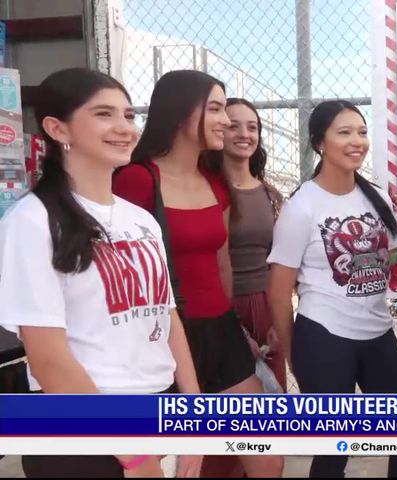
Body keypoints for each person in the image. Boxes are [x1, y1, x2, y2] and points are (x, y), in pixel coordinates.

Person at [0, 68, 201, 477]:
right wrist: (131, 453)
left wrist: (191, 416)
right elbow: (48, 359)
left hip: (155, 408)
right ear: (57, 128)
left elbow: (166, 315)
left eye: (129, 115)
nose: (125, 128)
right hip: (83, 430)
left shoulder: (141, 220)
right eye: (104, 114)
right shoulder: (32, 220)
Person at [113, 70, 283, 478]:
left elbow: (221, 264)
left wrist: (235, 326)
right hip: (165, 336)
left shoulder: (214, 182)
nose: (225, 120)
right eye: (216, 108)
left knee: (267, 455)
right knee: (181, 462)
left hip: (220, 331)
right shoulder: (136, 181)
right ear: (180, 112)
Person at [267, 100, 397, 478]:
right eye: (344, 132)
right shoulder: (301, 206)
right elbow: (278, 288)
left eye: (362, 131)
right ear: (320, 143)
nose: (357, 141)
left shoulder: (379, 198)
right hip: (324, 335)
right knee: (336, 446)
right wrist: (294, 354)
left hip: (377, 330)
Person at [206, 98, 286, 389]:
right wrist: (235, 330)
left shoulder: (272, 196)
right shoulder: (204, 192)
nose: (244, 134)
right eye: (233, 126)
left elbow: (280, 264)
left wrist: (280, 322)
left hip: (267, 309)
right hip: (220, 309)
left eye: (252, 127)